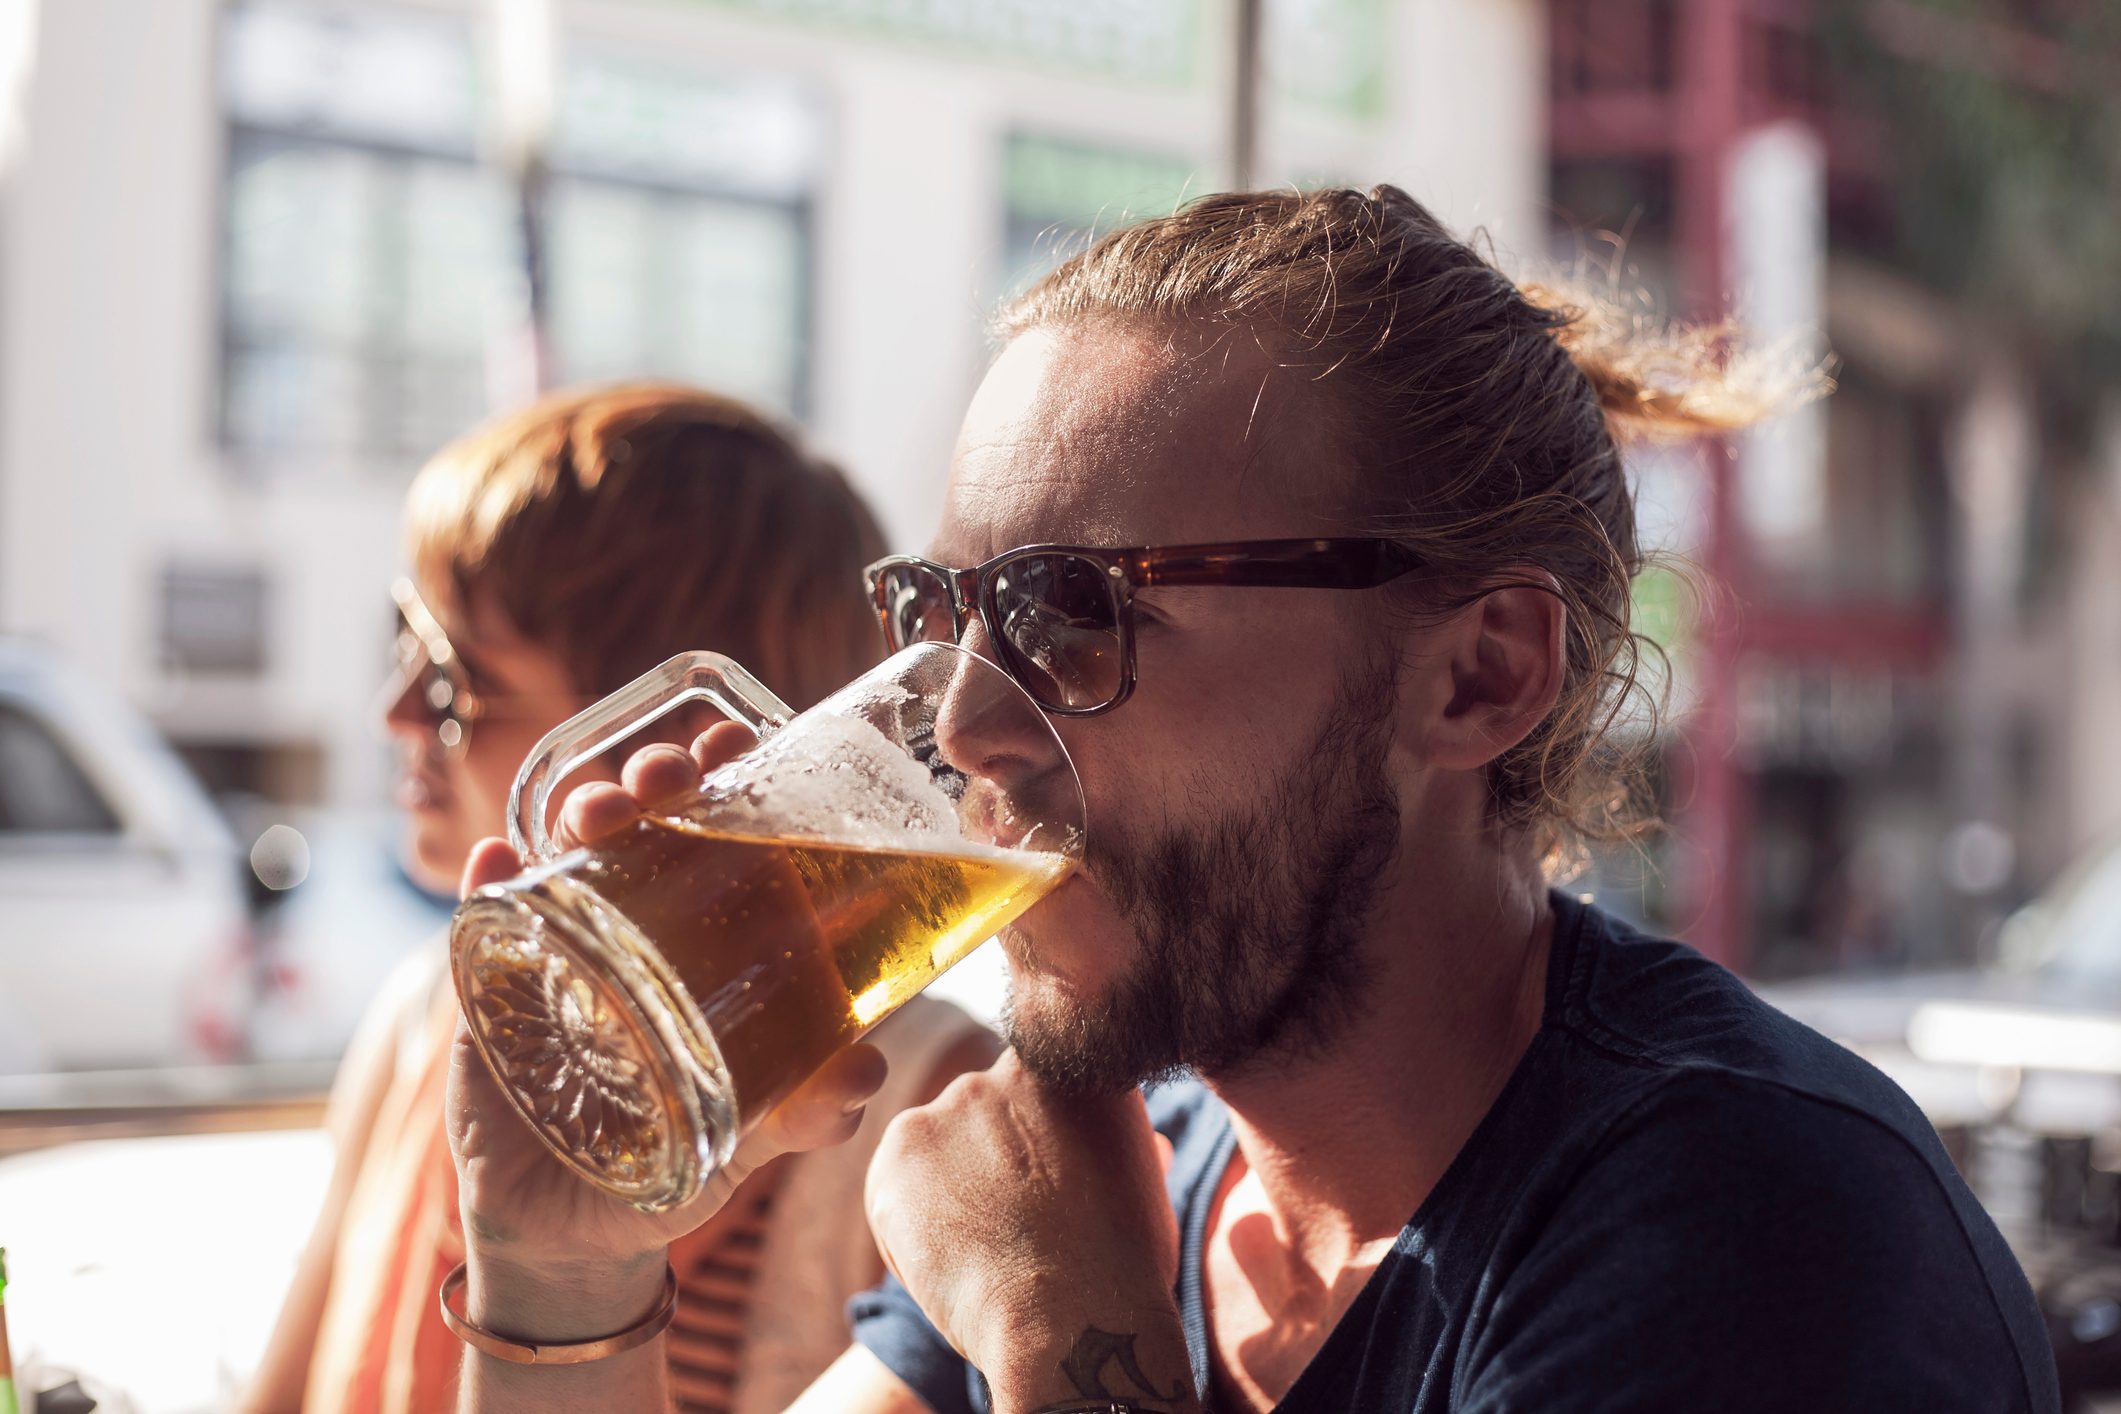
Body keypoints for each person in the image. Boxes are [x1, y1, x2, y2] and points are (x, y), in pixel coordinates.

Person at [442, 189, 2061, 1412]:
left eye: (1072, 611)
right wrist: (568, 1265)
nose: (958, 719)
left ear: (1477, 674)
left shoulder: (1749, 1237)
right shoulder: (1141, 1151)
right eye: (939, 611)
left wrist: (1073, 1350)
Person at [241, 383, 999, 1414]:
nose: (391, 712)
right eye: (402, 638)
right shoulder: (431, 1015)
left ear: (663, 737)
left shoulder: (923, 1112)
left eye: (453, 679)